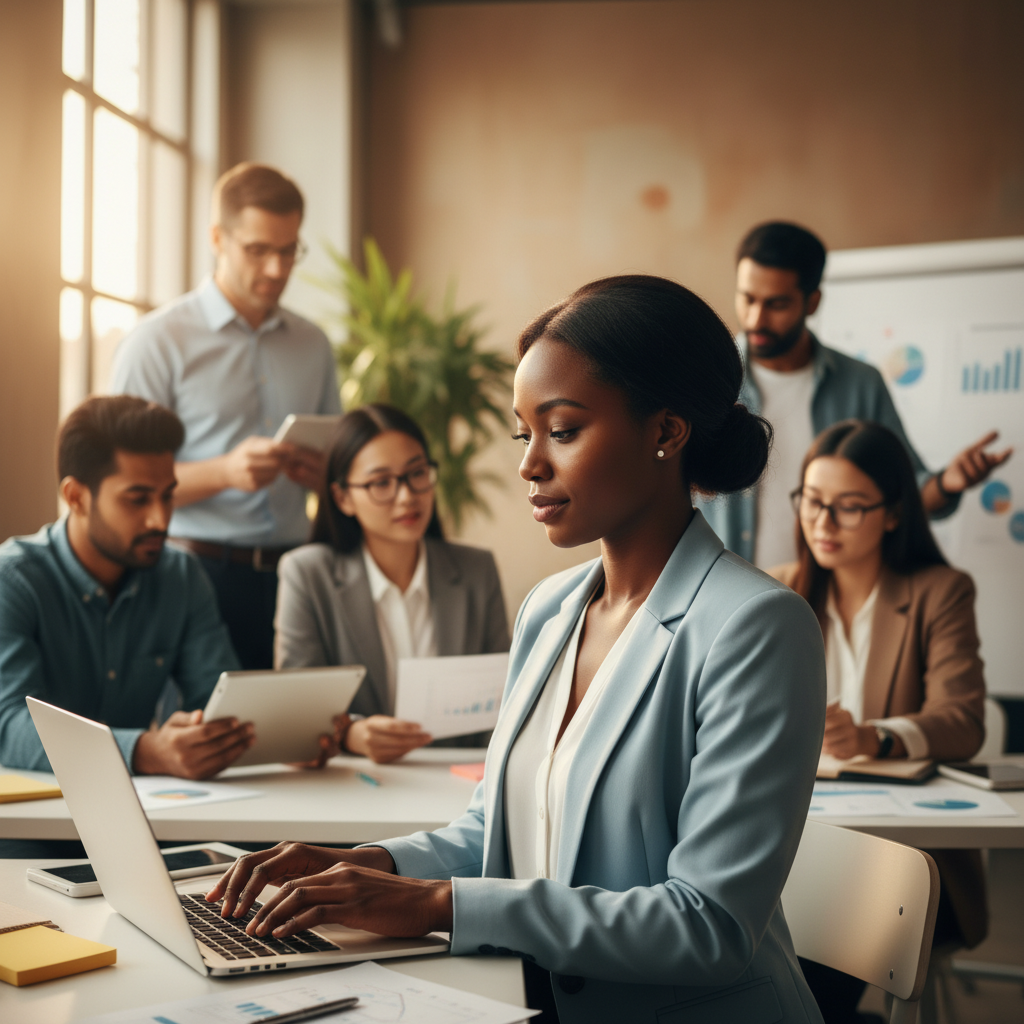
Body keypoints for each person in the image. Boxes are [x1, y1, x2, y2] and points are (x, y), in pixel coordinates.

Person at [208, 276, 828, 1024]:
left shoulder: (757, 627)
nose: (530, 463)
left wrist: (438, 903)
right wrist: (371, 865)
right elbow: (495, 829)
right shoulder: (550, 608)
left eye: (562, 430)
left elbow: (708, 926)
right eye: (522, 432)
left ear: (666, 432)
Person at [769, 419, 987, 1023]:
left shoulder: (939, 592)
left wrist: (876, 737)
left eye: (849, 507)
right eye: (813, 501)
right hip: (795, 840)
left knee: (802, 943)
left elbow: (963, 719)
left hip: (909, 859)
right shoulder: (776, 593)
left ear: (893, 514)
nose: (823, 523)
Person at [110, 162, 341, 670]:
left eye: (288, 250)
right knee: (210, 738)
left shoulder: (313, 344)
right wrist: (224, 472)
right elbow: (118, 482)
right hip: (191, 572)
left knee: (295, 738)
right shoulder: (155, 343)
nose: (278, 269)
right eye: (258, 250)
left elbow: (340, 462)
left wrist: (323, 475)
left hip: (294, 572)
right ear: (218, 238)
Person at [699, 221, 1012, 569]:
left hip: (830, 602)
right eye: (748, 298)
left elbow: (901, 492)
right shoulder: (709, 376)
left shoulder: (860, 384)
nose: (756, 318)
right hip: (725, 597)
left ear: (812, 301)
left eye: (777, 304)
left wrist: (947, 483)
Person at [0, 396, 251, 779]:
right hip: (35, 816)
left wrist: (216, 736)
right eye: (138, 500)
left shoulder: (180, 575)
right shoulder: (13, 580)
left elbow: (220, 701)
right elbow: (8, 726)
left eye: (168, 496)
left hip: (150, 810)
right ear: (76, 497)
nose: (160, 519)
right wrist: (146, 751)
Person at [274, 404, 510, 764]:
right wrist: (352, 734)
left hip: (461, 785)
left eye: (416, 474)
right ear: (343, 498)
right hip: (355, 785)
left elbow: (504, 704)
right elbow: (295, 714)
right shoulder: (308, 574)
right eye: (381, 482)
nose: (406, 496)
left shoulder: (477, 571)